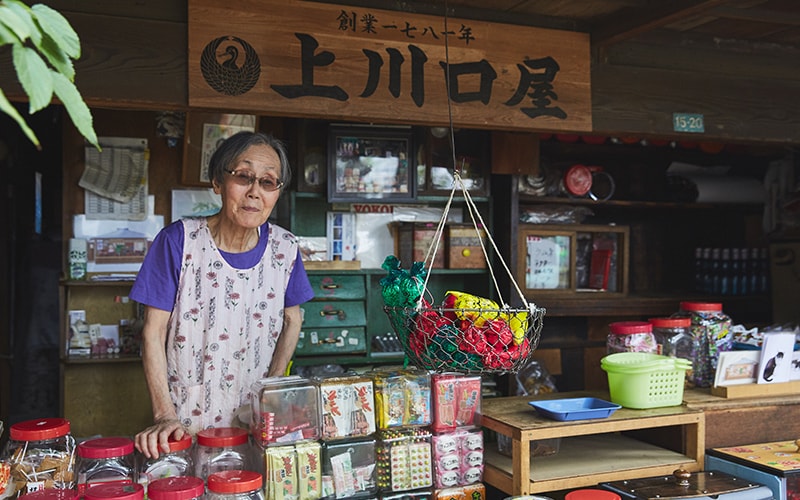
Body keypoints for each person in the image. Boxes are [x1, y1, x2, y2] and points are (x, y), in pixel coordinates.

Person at [132, 131, 314, 459]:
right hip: (184, 422)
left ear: (277, 193)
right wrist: (164, 415)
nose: (254, 192)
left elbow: (293, 319)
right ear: (218, 182)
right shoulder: (178, 242)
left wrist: (271, 388)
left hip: (256, 424)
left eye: (268, 182)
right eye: (243, 177)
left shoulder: (285, 248)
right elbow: (152, 331)